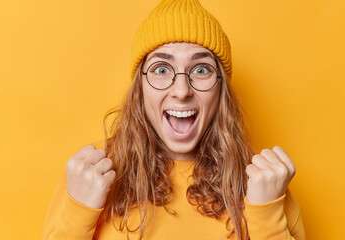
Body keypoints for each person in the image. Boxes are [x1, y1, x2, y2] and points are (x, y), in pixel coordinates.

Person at [41, 0, 305, 239]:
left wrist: (268, 219)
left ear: (221, 88)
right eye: (162, 69)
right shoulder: (90, 171)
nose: (181, 92)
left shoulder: (265, 181)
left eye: (201, 70)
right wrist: (78, 213)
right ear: (139, 88)